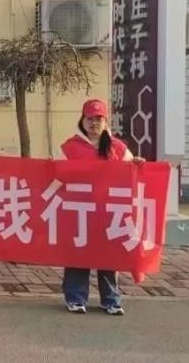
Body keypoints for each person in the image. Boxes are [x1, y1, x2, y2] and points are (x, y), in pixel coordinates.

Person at [58, 98, 142, 316]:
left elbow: (132, 172)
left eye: (98, 119)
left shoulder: (117, 148)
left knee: (108, 255)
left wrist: (138, 165)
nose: (94, 123)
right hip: (79, 211)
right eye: (89, 118)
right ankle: (75, 298)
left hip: (108, 212)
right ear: (82, 120)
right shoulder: (70, 147)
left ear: (105, 121)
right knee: (78, 255)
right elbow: (57, 175)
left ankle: (111, 300)